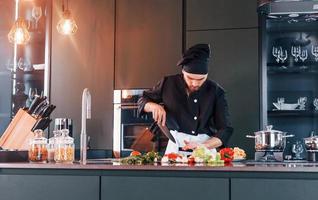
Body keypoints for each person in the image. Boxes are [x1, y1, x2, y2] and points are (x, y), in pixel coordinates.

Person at [138, 44, 233, 155]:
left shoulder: (216, 91)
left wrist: (203, 146)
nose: (195, 83)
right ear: (183, 72)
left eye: (201, 79)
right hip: (175, 149)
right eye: (190, 78)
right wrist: (153, 106)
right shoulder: (168, 83)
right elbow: (143, 99)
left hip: (205, 150)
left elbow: (225, 130)